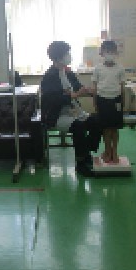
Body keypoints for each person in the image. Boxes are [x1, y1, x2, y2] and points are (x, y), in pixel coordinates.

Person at [40, 41, 102, 173]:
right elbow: (53, 100)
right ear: (58, 57)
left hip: (73, 111)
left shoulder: (68, 72)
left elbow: (78, 87)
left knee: (97, 121)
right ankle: (81, 163)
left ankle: (86, 152)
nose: (69, 56)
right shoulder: (49, 76)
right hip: (56, 115)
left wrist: (89, 91)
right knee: (78, 127)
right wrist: (74, 95)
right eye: (67, 53)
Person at [91, 40, 126, 164]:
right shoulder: (98, 68)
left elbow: (122, 87)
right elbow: (95, 87)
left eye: (112, 51)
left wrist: (123, 102)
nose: (109, 53)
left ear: (116, 53)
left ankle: (114, 151)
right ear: (102, 53)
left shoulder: (120, 68)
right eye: (107, 51)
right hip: (102, 100)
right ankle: (107, 151)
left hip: (116, 100)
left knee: (114, 128)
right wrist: (95, 102)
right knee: (105, 128)